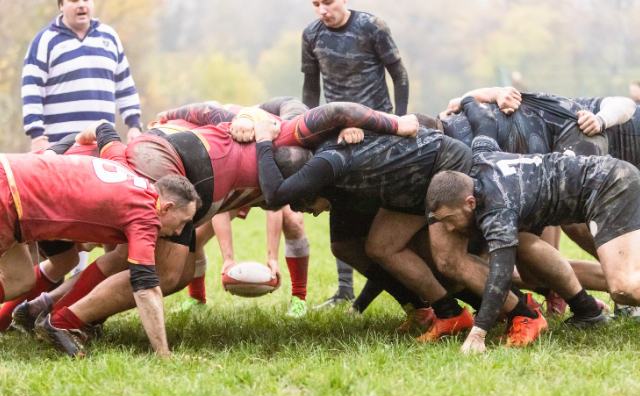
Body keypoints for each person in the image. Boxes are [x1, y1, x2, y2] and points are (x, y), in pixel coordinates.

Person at [16, 101, 419, 350]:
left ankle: (45, 308)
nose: (309, 210)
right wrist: (396, 122)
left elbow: (268, 212)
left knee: (149, 261)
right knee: (161, 270)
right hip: (167, 168)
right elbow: (330, 111)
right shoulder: (278, 135)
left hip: (179, 172)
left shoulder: (271, 171)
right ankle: (63, 320)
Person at [254, 116, 536, 343]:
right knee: (382, 246)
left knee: (447, 259)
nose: (311, 213)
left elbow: (277, 194)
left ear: (312, 189)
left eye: (305, 206)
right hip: (410, 184)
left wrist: (263, 141)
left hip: (440, 165)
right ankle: (450, 313)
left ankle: (524, 315)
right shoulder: (336, 175)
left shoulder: (329, 164)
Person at [427, 96, 640, 353]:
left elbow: (500, 275)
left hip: (609, 185)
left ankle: (596, 306)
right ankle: (587, 310)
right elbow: (483, 120)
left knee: (624, 287)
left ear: (470, 202)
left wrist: (479, 332)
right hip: (608, 179)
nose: (449, 229)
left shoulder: (497, 208)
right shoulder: (482, 155)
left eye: (449, 220)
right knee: (536, 264)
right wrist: (469, 100)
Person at [4, 121, 198, 358]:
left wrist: (82, 135)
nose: (179, 232)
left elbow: (104, 128)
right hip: (10, 200)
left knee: (19, 279)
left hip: (11, 174)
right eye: (181, 222)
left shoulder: (124, 168)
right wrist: (164, 353)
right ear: (166, 208)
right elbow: (146, 289)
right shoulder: (146, 216)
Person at [21, 0, 143, 276]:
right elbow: (31, 90)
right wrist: (37, 136)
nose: (82, 4)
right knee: (66, 226)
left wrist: (134, 124)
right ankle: (53, 296)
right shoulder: (45, 41)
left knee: (110, 218)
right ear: (61, 5)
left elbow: (124, 84)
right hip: (62, 151)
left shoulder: (109, 37)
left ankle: (95, 294)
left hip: (99, 150)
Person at [302, 0, 410, 307]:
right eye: (316, 4)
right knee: (342, 207)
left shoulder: (371, 26)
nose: (323, 9)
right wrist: (311, 132)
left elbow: (399, 76)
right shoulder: (311, 34)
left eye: (329, 2)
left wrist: (397, 123)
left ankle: (379, 296)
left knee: (378, 221)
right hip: (337, 133)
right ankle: (344, 291)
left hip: (379, 129)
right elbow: (311, 89)